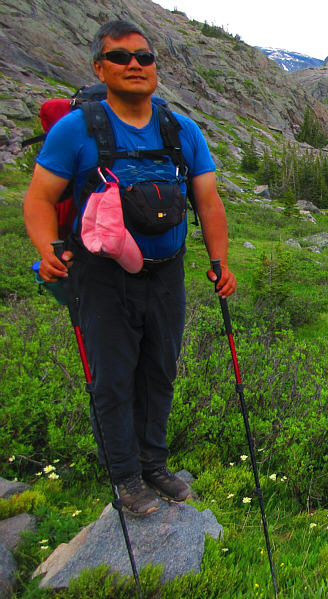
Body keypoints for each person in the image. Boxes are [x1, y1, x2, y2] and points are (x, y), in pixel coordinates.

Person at [23, 20, 236, 515]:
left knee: (160, 370)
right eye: (120, 58)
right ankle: (125, 478)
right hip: (100, 278)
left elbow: (208, 201)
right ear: (100, 67)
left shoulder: (181, 129)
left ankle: (154, 464)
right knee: (113, 378)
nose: (134, 65)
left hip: (167, 272)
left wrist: (218, 261)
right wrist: (47, 246)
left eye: (143, 57)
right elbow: (39, 198)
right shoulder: (78, 129)